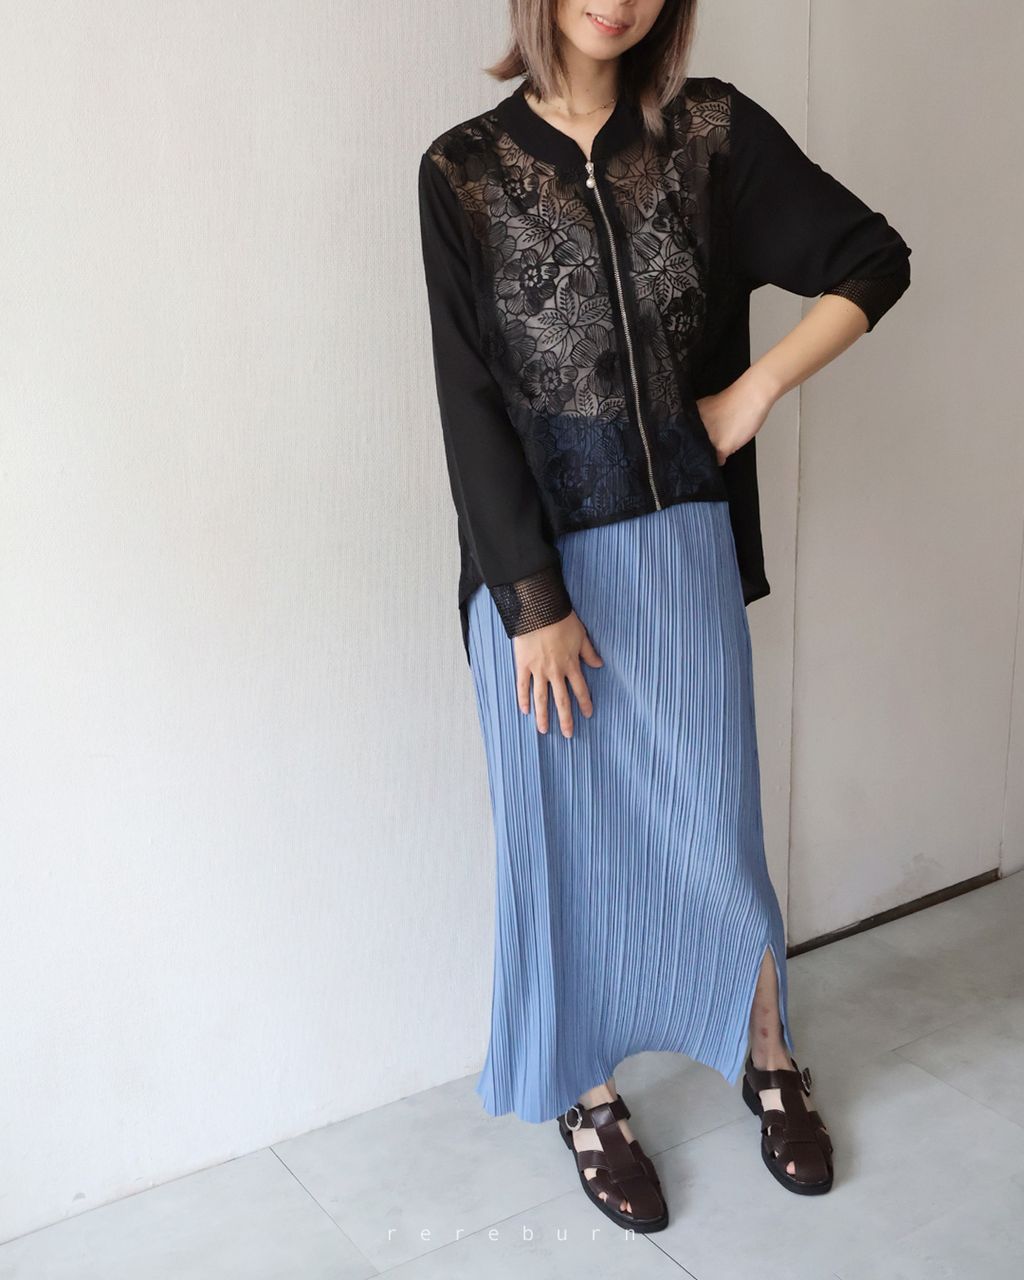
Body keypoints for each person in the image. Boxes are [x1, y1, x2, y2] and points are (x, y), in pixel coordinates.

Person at [416, 0, 911, 1231]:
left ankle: (764, 1048)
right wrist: (530, 599)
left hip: (679, 544)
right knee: (562, 844)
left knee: (715, 827)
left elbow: (872, 257)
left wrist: (750, 393)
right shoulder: (462, 171)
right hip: (536, 573)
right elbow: (467, 400)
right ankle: (586, 1090)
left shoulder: (708, 134)